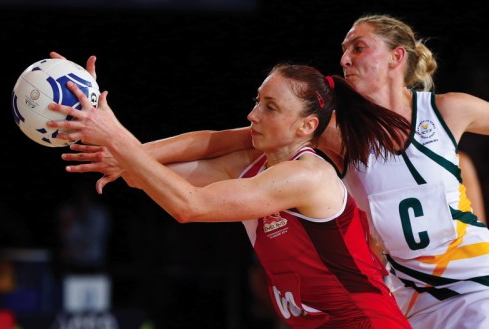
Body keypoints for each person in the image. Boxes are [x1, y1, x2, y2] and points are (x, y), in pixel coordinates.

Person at [52, 13, 489, 329]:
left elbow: (192, 201)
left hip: (474, 283)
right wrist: (129, 150)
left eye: (358, 47)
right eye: (343, 50)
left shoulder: (450, 110)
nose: (346, 58)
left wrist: (123, 146)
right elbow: (224, 138)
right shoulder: (334, 132)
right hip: (407, 297)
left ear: (397, 58)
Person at [47, 63, 412, 328]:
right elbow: (149, 179)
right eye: (257, 101)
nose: (253, 114)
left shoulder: (308, 175)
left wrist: (117, 139)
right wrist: (101, 135)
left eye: (270, 107)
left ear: (306, 126)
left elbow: (188, 205)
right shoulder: (251, 165)